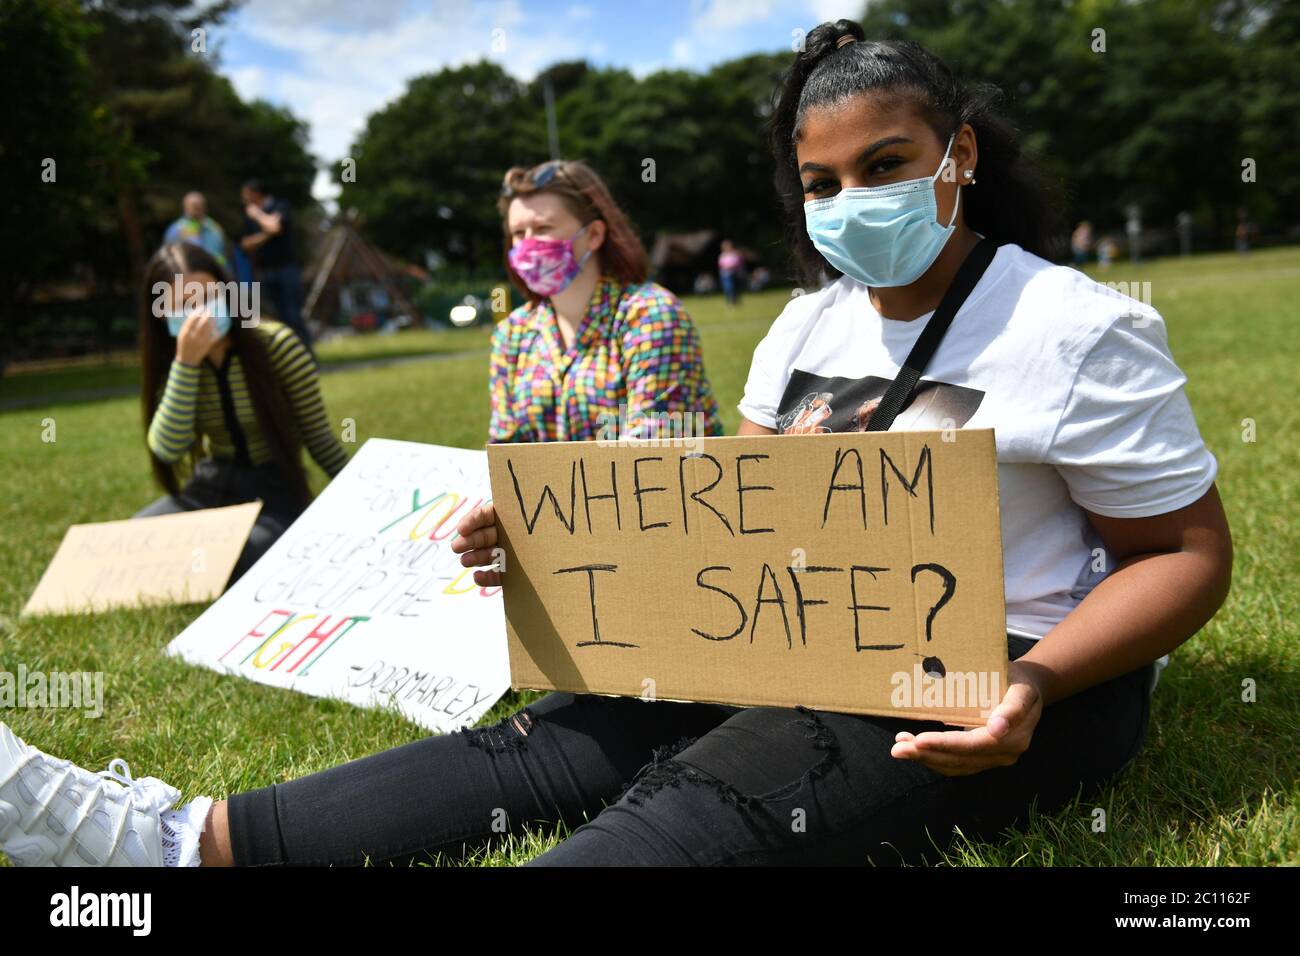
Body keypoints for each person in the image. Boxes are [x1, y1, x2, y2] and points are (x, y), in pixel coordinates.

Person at [0, 24, 1232, 869]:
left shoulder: (1075, 325)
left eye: (886, 164)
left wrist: (1033, 683)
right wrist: (541, 538)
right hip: (810, 626)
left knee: (697, 798)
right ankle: (179, 839)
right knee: (555, 740)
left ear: (957, 153)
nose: (849, 199)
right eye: (819, 179)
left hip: (1000, 675)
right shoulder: (805, 322)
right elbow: (732, 509)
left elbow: (1181, 552)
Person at [132, 241, 348, 585]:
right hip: (212, 485)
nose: (200, 314)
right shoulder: (174, 364)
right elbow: (167, 448)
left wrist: (361, 495)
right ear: (162, 314)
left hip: (274, 490)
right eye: (184, 306)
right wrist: (186, 363)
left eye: (208, 299)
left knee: (246, 556)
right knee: (133, 542)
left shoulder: (276, 346)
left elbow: (318, 438)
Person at [489, 159, 724, 444]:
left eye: (542, 228)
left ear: (594, 235)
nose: (527, 244)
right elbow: (506, 451)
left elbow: (651, 450)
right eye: (517, 233)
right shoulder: (511, 333)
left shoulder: (650, 315)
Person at [239, 179, 313, 355]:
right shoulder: (248, 216)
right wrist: (266, 233)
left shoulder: (280, 206)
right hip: (266, 272)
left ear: (255, 193)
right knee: (278, 318)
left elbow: (275, 227)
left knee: (293, 316)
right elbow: (246, 244)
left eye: (246, 194)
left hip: (287, 269)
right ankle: (288, 356)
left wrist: (258, 216)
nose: (244, 199)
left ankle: (306, 356)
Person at [163, 191, 229, 270]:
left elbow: (224, 254)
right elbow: (169, 258)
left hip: (214, 274)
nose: (197, 208)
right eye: (193, 205)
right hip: (187, 276)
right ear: (185, 207)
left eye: (199, 205)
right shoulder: (176, 229)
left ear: (205, 207)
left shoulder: (214, 228)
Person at [717, 238, 745, 306]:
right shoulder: (722, 255)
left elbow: (739, 262)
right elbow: (721, 264)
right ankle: (729, 301)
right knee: (728, 288)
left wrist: (733, 266)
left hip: (734, 273)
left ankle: (736, 301)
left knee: (736, 288)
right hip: (726, 275)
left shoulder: (735, 254)